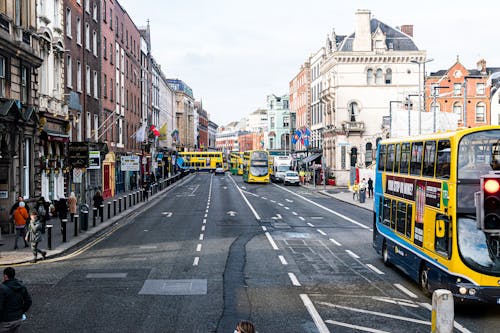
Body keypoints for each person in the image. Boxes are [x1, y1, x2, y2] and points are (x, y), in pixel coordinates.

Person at [0, 267, 32, 332]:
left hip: (6, 321)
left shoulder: (2, 289)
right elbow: (28, 301)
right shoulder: (21, 286)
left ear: (5, 276)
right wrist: (21, 311)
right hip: (18, 319)